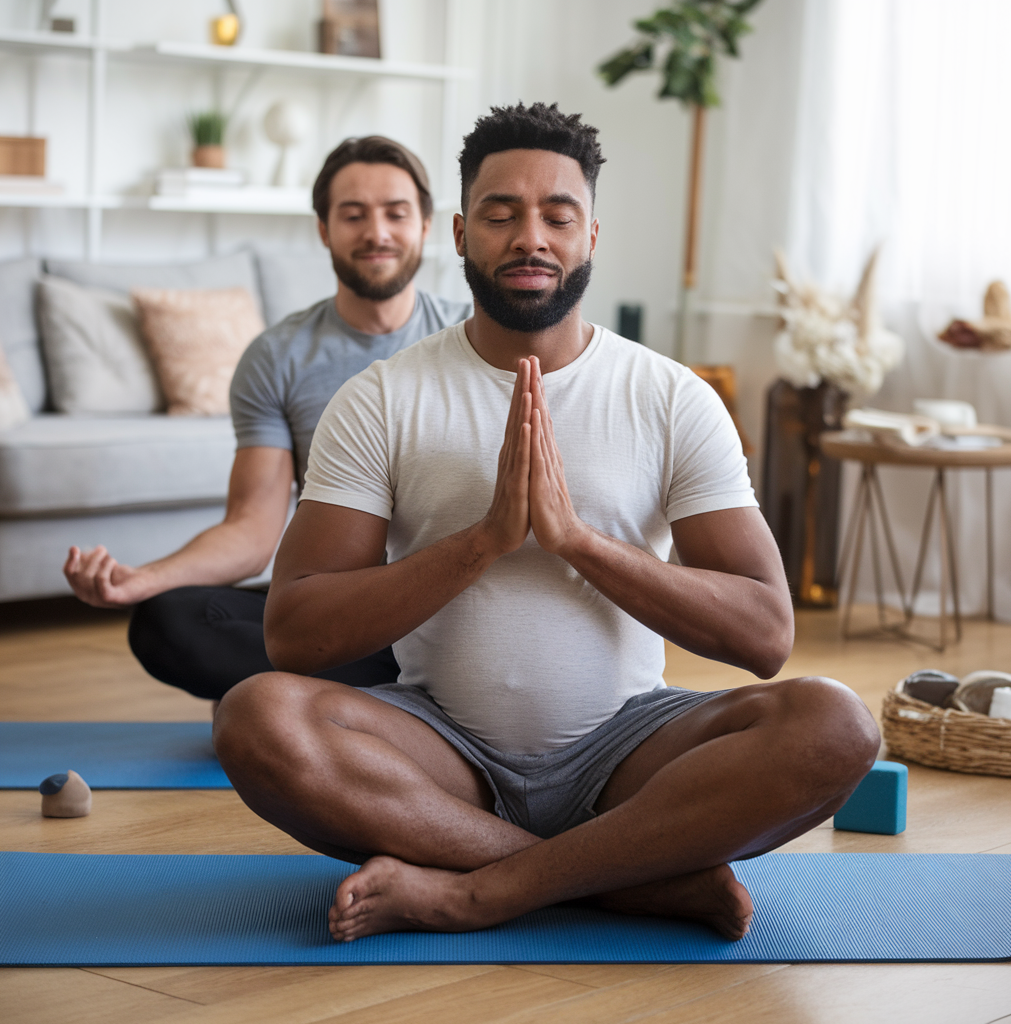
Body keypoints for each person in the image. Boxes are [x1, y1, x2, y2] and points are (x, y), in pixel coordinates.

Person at [213, 103, 880, 943]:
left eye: (557, 215)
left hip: (632, 755)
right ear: (459, 233)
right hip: (442, 756)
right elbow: (295, 632)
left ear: (591, 234)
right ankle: (618, 878)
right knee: (257, 716)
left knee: (835, 725)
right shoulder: (383, 398)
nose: (531, 237)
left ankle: (478, 890)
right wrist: (483, 543)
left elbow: (765, 632)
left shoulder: (671, 398)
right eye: (501, 213)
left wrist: (577, 543)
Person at [62, 136, 471, 702]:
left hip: (454, 609)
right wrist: (142, 578)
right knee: (172, 619)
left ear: (426, 224)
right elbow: (254, 530)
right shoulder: (277, 356)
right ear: (324, 230)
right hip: (344, 616)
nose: (377, 232)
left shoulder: (477, 335)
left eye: (395, 213)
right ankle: (397, 698)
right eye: (353, 215)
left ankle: (339, 700)